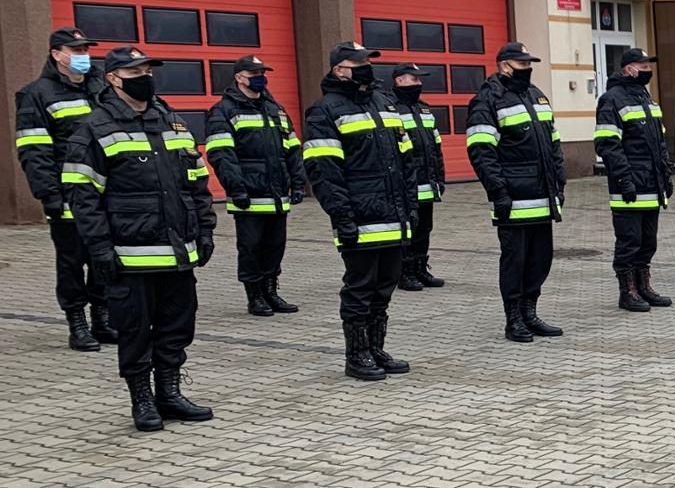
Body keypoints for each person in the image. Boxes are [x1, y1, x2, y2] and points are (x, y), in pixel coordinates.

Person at [64, 47, 216, 431]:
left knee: (177, 326)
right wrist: (98, 248)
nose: (146, 75)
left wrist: (206, 229)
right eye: (137, 70)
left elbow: (197, 183)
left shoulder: (172, 122)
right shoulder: (95, 129)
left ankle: (169, 393)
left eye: (148, 69)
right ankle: (142, 400)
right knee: (134, 330)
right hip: (129, 256)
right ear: (114, 77)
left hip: (177, 252)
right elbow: (83, 196)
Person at [304, 41, 415, 380]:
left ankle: (376, 348)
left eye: (368, 61)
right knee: (360, 288)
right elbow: (324, 173)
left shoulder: (385, 103)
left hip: (393, 218)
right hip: (359, 219)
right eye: (358, 62)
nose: (366, 66)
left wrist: (409, 207)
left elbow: (407, 159)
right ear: (339, 69)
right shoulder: (324, 111)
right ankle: (357, 355)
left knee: (384, 287)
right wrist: (342, 217)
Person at [13, 27, 115, 351]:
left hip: (105, 194)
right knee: (72, 262)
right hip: (68, 196)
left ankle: (103, 320)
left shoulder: (101, 88)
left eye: (86, 49)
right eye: (76, 50)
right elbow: (33, 148)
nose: (84, 56)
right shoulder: (36, 94)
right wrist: (48, 194)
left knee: (104, 259)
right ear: (57, 54)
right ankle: (77, 323)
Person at [466, 42, 567, 341]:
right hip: (513, 198)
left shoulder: (536, 95)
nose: (528, 68)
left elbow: (554, 143)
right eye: (523, 64)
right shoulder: (487, 100)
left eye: (529, 63)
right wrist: (499, 193)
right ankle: (514, 320)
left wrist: (558, 183)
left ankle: (530, 313)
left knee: (540, 259)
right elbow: (482, 152)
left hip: (542, 197)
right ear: (505, 65)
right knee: (515, 260)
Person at [204, 54, 306, 316]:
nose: (261, 79)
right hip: (248, 196)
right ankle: (254, 296)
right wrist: (236, 189)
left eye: (263, 74)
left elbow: (292, 148)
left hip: (276, 195)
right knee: (251, 248)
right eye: (254, 74)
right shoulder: (224, 111)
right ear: (239, 77)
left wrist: (298, 181)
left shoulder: (275, 109)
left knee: (275, 246)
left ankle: (271, 291)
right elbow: (221, 154)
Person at [595, 47, 675, 312]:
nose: (647, 71)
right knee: (630, 240)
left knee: (648, 241)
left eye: (648, 66)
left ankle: (644, 286)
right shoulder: (612, 100)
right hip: (628, 186)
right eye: (643, 67)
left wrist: (666, 174)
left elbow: (659, 142)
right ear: (629, 69)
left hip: (652, 185)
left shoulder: (646, 99)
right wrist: (624, 179)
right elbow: (607, 144)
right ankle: (627, 291)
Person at [388, 63, 447, 291]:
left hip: (427, 183)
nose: (419, 84)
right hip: (405, 184)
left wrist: (439, 178)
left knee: (424, 228)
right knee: (407, 229)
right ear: (400, 80)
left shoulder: (424, 109)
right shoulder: (391, 109)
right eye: (414, 79)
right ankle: (405, 272)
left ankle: (421, 269)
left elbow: (436, 147)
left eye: (419, 80)